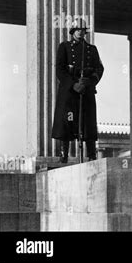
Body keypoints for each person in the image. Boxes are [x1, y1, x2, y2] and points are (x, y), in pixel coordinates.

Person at [51, 20, 104, 163]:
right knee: (68, 120)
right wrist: (73, 84)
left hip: (86, 89)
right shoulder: (65, 47)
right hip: (69, 91)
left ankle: (92, 154)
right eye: (78, 29)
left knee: (88, 122)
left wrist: (90, 82)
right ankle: (64, 153)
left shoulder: (92, 49)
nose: (80, 32)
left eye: (83, 29)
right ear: (73, 31)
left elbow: (99, 69)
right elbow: (60, 69)